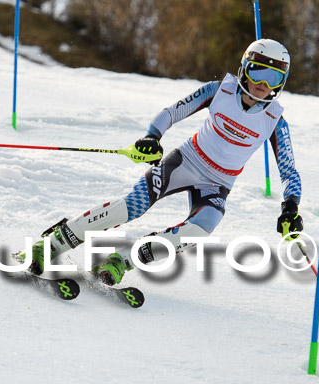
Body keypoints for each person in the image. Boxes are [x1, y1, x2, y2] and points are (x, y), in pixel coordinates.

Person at [18, 39, 303, 285]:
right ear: (244, 68)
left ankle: (122, 260)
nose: (263, 84)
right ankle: (51, 243)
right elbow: (173, 112)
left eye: (274, 78)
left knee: (201, 230)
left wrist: (290, 207)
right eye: (258, 72)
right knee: (131, 207)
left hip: (217, 184)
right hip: (185, 162)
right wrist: (152, 137)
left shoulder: (275, 121)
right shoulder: (220, 90)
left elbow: (289, 172)